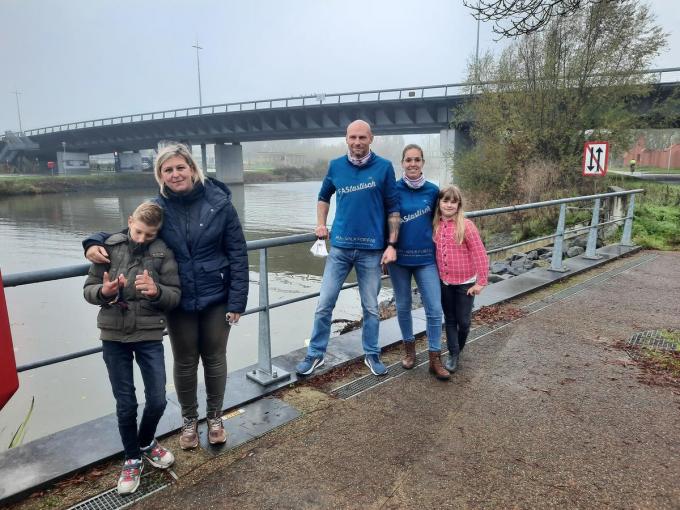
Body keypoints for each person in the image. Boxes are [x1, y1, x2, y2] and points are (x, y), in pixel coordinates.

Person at [84, 144, 249, 451]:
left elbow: (238, 252)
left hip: (217, 294)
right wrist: (92, 241)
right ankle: (189, 421)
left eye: (180, 168)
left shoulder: (220, 203)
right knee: (185, 361)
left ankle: (215, 418)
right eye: (168, 170)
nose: (175, 174)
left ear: (192, 168)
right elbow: (131, 231)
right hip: (177, 297)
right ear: (160, 176)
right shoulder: (158, 208)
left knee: (214, 358)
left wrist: (238, 300)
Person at [83, 202, 181, 495]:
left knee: (158, 400)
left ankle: (146, 441)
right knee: (125, 404)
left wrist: (158, 292)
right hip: (113, 336)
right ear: (129, 222)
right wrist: (104, 292)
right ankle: (132, 457)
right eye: (138, 231)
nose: (141, 239)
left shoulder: (164, 252)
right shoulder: (108, 248)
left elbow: (175, 295)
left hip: (149, 334)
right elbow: (88, 289)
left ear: (157, 233)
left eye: (148, 235)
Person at [295, 120, 400, 377]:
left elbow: (394, 210)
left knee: (371, 307)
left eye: (362, 137)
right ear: (346, 139)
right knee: (324, 304)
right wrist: (320, 224)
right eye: (352, 137)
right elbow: (323, 196)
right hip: (340, 248)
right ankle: (315, 354)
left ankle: (372, 354)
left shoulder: (384, 168)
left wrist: (391, 244)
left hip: (371, 250)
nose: (357, 142)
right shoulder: (335, 166)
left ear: (371, 138)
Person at [387, 144, 449, 380]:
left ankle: (435, 357)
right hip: (399, 260)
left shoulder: (433, 191)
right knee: (403, 307)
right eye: (408, 160)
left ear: (423, 163)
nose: (412, 164)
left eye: (417, 160)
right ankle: (410, 351)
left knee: (434, 308)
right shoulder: (393, 190)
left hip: (426, 259)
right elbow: (385, 220)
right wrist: (385, 249)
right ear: (402, 163)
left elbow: (447, 218)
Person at [433, 185, 489, 373]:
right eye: (445, 201)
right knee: (449, 319)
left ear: (458, 204)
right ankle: (453, 353)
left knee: (463, 322)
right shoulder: (436, 226)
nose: (449, 205)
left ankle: (458, 347)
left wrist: (481, 282)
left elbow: (480, 253)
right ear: (439, 203)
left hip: (466, 283)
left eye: (453, 201)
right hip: (445, 283)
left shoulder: (466, 226)